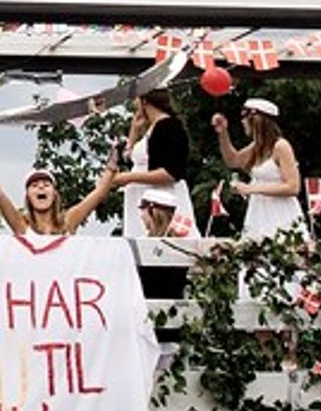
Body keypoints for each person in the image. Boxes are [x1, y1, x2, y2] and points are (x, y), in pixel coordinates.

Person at [94, 89, 193, 235]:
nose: (134, 104)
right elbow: (133, 160)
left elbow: (171, 172)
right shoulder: (153, 127)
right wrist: (134, 133)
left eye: (136, 99)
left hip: (160, 202)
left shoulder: (167, 126)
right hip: (141, 199)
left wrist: (128, 177)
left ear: (144, 101)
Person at [212, 96, 308, 242]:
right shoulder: (257, 147)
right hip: (259, 211)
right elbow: (233, 161)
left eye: (245, 118)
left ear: (257, 120)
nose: (242, 122)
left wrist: (252, 188)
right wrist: (223, 133)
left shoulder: (281, 146)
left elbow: (293, 187)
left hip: (281, 212)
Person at [0, 145, 108, 235]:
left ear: (54, 194)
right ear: (28, 197)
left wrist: (113, 162)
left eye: (46, 184)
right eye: (34, 185)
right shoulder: (21, 226)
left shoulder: (68, 222)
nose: (41, 186)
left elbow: (99, 192)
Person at [133, 187, 197, 300]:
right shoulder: (180, 242)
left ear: (152, 211)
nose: (141, 216)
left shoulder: (177, 243)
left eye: (143, 210)